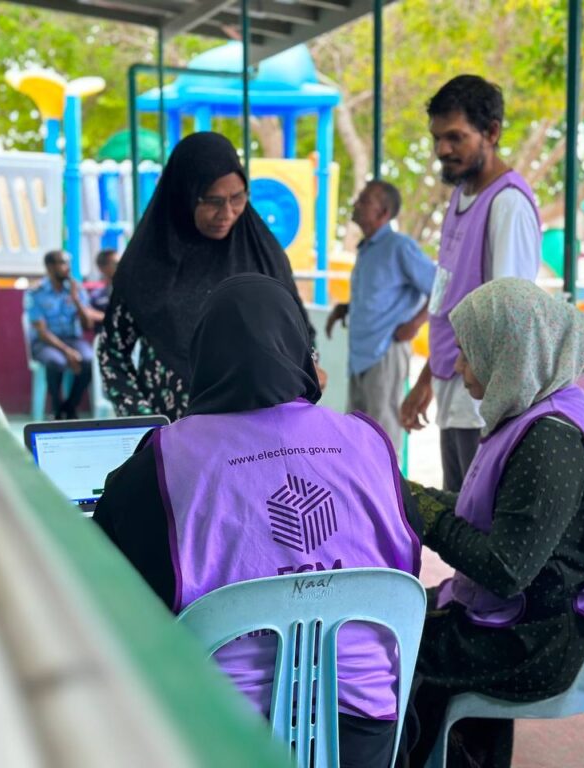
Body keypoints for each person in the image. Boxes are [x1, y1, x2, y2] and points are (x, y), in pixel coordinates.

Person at [95, 274, 422, 768]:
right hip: (364, 732)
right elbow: (405, 563)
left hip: (220, 739)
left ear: (203, 357)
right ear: (299, 350)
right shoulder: (369, 443)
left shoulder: (162, 461)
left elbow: (104, 580)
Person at [401, 279, 584, 768]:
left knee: (389, 644)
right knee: (400, 614)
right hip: (544, 615)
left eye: (468, 354)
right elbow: (495, 517)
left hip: (548, 642)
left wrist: (424, 513)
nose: (458, 368)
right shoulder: (547, 408)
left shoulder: (550, 441)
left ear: (509, 355)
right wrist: (413, 496)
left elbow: (505, 570)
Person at [98, 132, 320, 423]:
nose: (226, 213)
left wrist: (311, 368)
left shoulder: (262, 253)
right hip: (174, 432)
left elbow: (300, 332)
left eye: (237, 197)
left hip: (259, 432)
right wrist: (147, 424)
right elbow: (112, 353)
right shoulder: (147, 264)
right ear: (184, 196)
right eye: (212, 201)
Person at [400, 75, 542, 492]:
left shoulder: (508, 204)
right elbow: (449, 296)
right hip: (453, 391)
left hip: (481, 403)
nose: (443, 149)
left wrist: (495, 412)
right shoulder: (461, 194)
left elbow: (510, 319)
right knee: (458, 510)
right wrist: (427, 378)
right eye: (437, 138)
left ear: (491, 132)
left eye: (456, 137)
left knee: (475, 517)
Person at [326, 180, 435, 457]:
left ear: (383, 213)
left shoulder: (399, 246)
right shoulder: (367, 249)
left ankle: (388, 487)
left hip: (385, 350)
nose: (357, 205)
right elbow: (378, 296)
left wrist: (415, 323)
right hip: (360, 355)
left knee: (383, 437)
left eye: (365, 201)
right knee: (356, 437)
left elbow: (440, 288)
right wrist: (346, 308)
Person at [26, 249, 96, 420]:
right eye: (63, 263)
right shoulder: (36, 292)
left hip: (73, 339)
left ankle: (70, 407)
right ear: (50, 267)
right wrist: (67, 351)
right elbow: (42, 332)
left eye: (68, 263)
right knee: (56, 362)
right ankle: (57, 409)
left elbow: (88, 325)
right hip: (45, 343)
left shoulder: (75, 289)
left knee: (89, 360)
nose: (68, 268)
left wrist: (76, 299)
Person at [88, 248, 119, 330]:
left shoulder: (129, 290)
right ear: (102, 267)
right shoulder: (95, 295)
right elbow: (89, 316)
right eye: (116, 263)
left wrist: (102, 316)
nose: (120, 266)